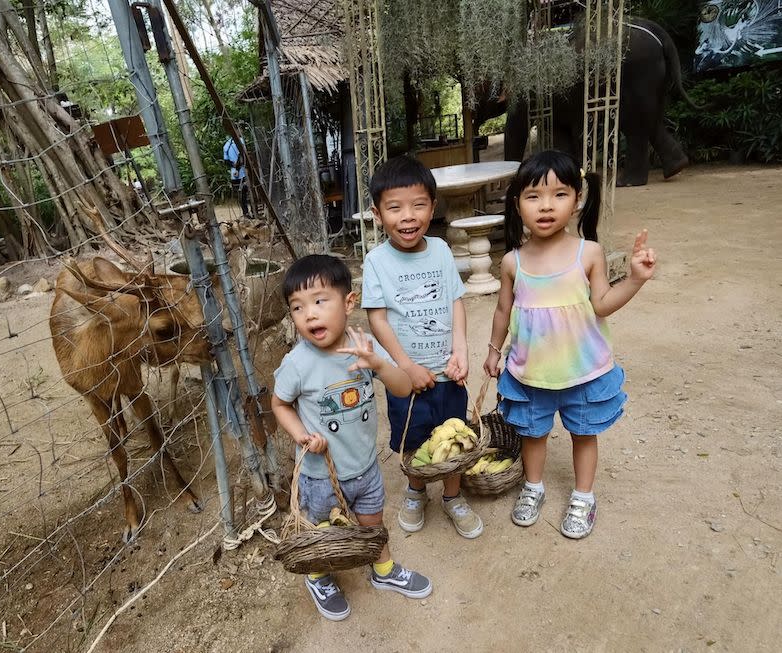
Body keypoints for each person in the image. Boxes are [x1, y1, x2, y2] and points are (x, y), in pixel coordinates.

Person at [482, 149, 656, 539]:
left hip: (583, 371)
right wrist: (494, 351)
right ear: (517, 204)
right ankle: (534, 486)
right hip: (531, 372)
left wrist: (634, 279)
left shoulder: (588, 253)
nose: (546, 206)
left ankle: (583, 496)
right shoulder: (513, 261)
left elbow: (602, 304)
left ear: (577, 200)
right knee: (533, 435)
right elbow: (501, 311)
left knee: (583, 434)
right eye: (533, 196)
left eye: (559, 194)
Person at [272, 255, 432, 622]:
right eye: (297, 307)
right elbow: (279, 404)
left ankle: (384, 569)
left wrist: (378, 365)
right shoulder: (298, 363)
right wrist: (302, 436)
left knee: (372, 523)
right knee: (323, 532)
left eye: (318, 301)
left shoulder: (364, 345)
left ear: (349, 302)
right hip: (319, 473)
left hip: (365, 465)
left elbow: (405, 388)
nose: (309, 314)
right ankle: (319, 575)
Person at [362, 156, 483, 540]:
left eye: (418, 205)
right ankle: (416, 491)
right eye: (394, 207)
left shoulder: (442, 251)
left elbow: (455, 302)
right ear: (377, 213)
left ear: (433, 206)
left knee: (455, 437)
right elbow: (377, 319)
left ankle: (452, 495)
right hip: (406, 378)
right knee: (413, 440)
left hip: (450, 372)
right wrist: (406, 366)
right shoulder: (376, 261)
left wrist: (460, 350)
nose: (408, 216)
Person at [223, 135, 249, 217]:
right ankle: (247, 212)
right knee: (247, 193)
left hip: (234, 174)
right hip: (242, 172)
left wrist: (234, 167)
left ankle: (245, 212)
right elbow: (242, 155)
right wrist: (237, 169)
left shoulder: (226, 145)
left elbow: (226, 160)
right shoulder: (241, 141)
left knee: (240, 195)